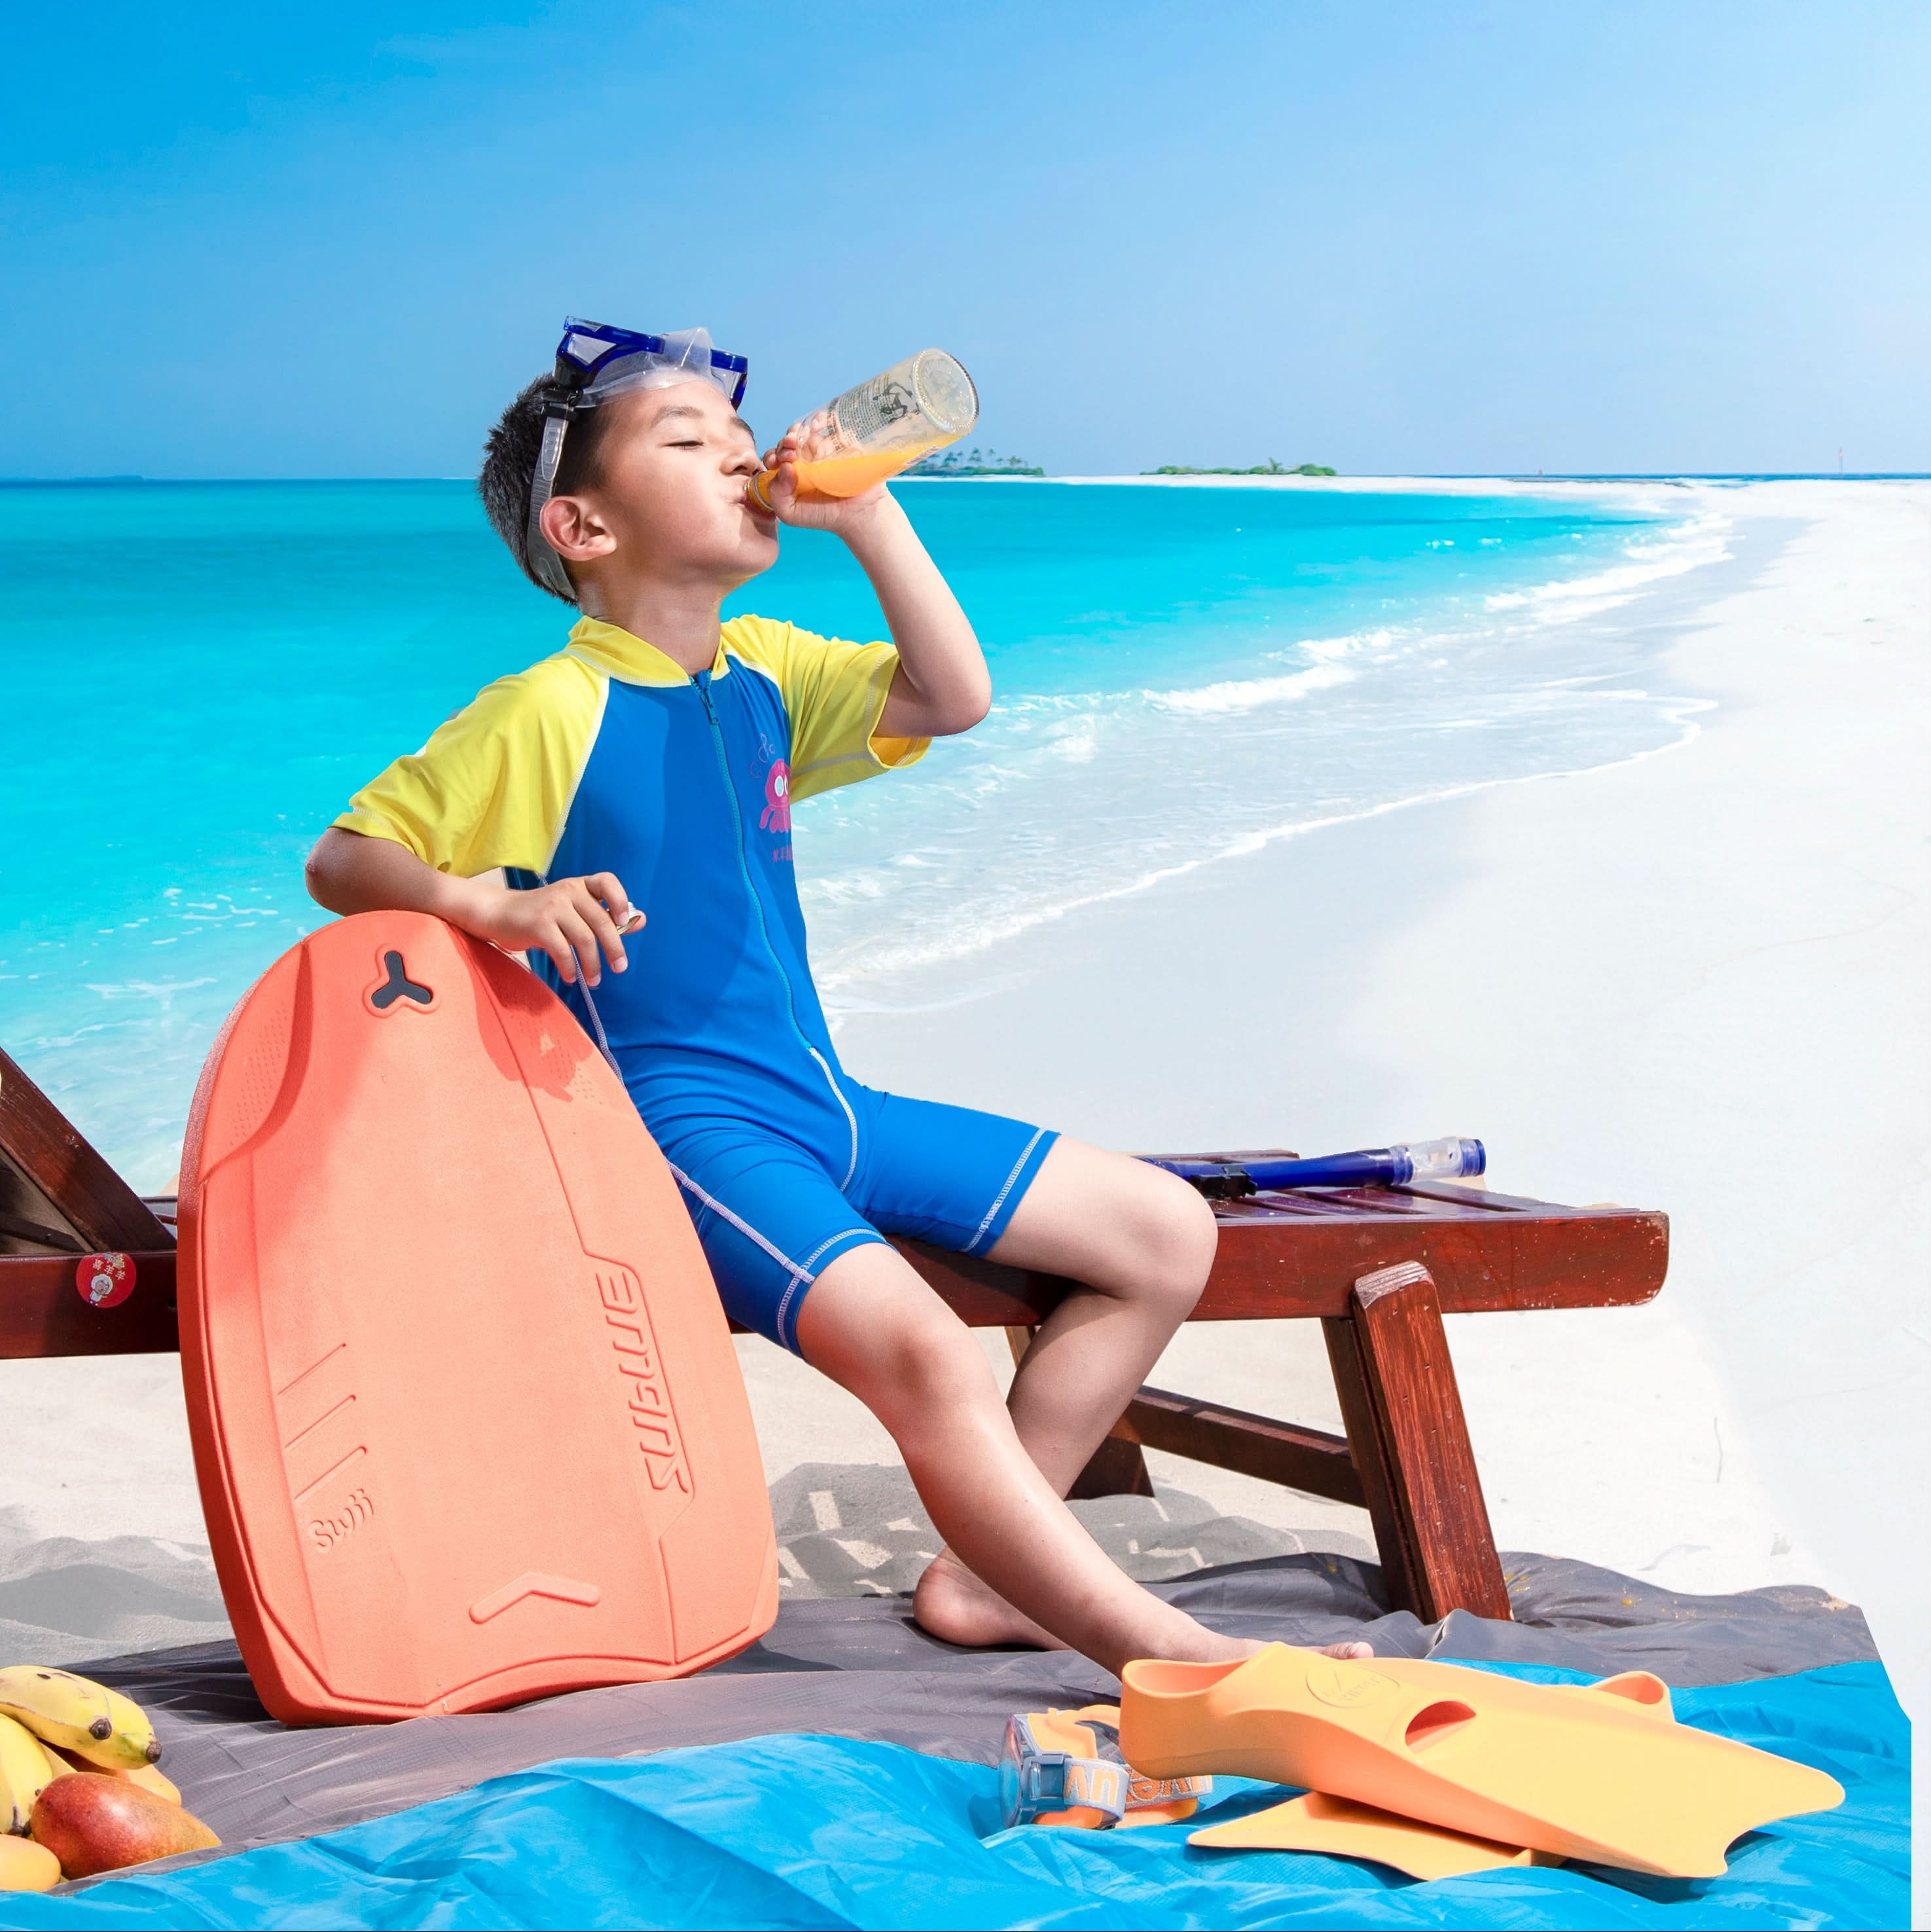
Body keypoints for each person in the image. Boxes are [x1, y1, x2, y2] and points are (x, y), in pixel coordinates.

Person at [305, 320, 1368, 1675]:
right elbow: (344, 859)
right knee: (926, 1355)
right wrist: (491, 905)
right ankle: (1168, 1653)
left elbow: (953, 695)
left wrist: (869, 522)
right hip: (676, 1131)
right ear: (581, 526)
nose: (737, 456)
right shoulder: (546, 709)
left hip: (826, 1108)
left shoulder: (764, 673)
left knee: (1160, 1232)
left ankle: (992, 1576)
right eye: (685, 443)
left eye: (739, 440)